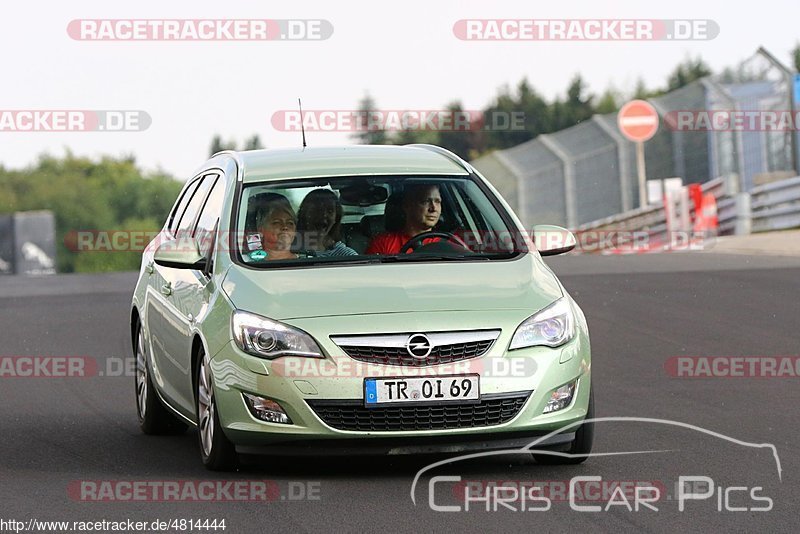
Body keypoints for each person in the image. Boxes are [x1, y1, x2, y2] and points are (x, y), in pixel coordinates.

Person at [366, 183, 442, 255]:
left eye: (438, 201)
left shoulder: (447, 243)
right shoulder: (382, 244)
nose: (434, 208)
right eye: (426, 201)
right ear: (407, 206)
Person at [296, 189, 358, 257]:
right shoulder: (288, 251)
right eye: (317, 210)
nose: (324, 215)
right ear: (304, 214)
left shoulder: (346, 256)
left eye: (330, 211)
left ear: (336, 218)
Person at [248, 193, 299, 261]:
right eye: (277, 222)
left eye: (290, 223)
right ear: (261, 230)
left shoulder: (309, 262)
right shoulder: (248, 263)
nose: (285, 227)